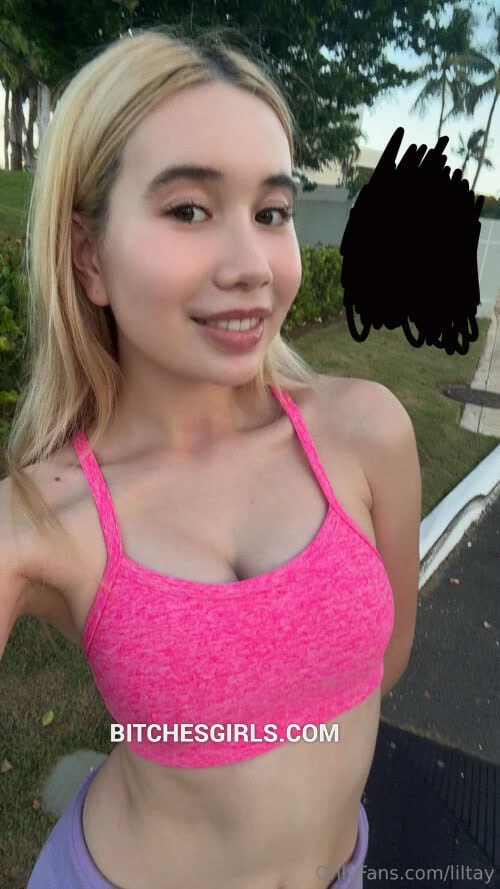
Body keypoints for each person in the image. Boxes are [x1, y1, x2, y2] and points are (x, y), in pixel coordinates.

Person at [1, 24, 404, 889]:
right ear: (88, 257)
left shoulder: (366, 431)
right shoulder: (37, 522)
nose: (252, 264)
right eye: (189, 209)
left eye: (272, 212)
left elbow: (386, 659)